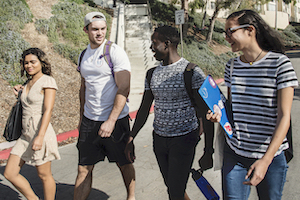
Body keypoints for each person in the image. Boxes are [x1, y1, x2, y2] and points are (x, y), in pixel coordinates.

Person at [206, 10, 298, 200]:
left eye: (230, 31)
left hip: (270, 157)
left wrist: (265, 160)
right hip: (235, 154)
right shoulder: (231, 66)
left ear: (250, 30)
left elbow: (284, 117)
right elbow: (232, 108)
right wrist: (219, 115)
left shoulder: (280, 65)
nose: (226, 37)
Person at [125, 25, 214, 200]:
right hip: (159, 140)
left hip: (184, 138)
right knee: (173, 188)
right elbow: (144, 109)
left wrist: (208, 150)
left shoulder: (192, 72)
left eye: (154, 43)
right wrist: (131, 136)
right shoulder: (152, 74)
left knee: (175, 190)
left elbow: (206, 114)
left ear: (166, 44)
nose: (151, 48)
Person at [74, 12, 135, 200]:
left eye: (102, 29)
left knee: (124, 163)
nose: (99, 33)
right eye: (95, 29)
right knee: (84, 167)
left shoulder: (114, 52)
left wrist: (111, 120)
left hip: (115, 120)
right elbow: (84, 87)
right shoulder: (83, 55)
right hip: (89, 120)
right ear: (86, 30)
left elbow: (124, 87)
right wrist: (81, 118)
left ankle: (131, 197)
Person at [4, 47, 60, 200]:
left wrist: (40, 137)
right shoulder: (28, 82)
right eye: (26, 63)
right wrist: (20, 94)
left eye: (33, 62)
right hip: (25, 134)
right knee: (10, 173)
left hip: (39, 131)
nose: (29, 66)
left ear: (41, 63)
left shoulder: (48, 81)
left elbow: (48, 110)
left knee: (44, 174)